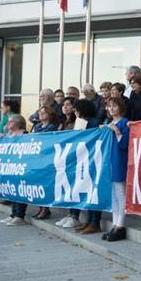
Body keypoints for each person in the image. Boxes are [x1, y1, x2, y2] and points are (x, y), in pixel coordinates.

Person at [55, 99, 104, 234]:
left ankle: (95, 222)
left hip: (92, 159)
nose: (75, 112)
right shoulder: (77, 122)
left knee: (93, 191)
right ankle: (88, 221)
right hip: (81, 159)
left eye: (77, 110)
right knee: (84, 190)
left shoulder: (93, 122)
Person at [103, 97, 130, 242]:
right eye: (109, 106)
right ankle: (114, 224)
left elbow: (125, 143)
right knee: (113, 194)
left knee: (120, 193)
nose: (112, 109)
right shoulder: (108, 123)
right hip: (109, 161)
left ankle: (120, 225)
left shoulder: (125, 122)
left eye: (114, 106)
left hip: (119, 159)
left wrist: (117, 131)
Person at [0, 115, 30, 226]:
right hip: (11, 167)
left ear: (18, 123)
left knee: (21, 191)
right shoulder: (9, 135)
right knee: (13, 191)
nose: (8, 124)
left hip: (21, 167)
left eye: (10, 121)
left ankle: (20, 215)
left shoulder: (24, 134)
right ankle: (14, 213)